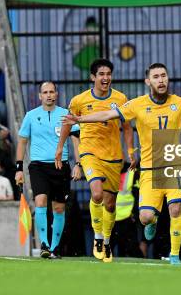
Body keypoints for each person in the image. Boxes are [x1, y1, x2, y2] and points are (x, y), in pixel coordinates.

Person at [64, 63, 181, 265]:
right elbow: (107, 114)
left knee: (176, 209)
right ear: (148, 81)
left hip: (173, 167)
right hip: (149, 170)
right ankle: (152, 220)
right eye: (156, 77)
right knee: (146, 217)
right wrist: (80, 118)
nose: (161, 80)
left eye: (164, 76)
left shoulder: (178, 102)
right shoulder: (137, 104)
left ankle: (174, 255)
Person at [55, 59, 133, 263]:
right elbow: (68, 124)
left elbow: (126, 127)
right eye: (101, 74)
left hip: (114, 156)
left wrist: (131, 150)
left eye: (108, 74)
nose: (105, 78)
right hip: (89, 153)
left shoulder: (120, 98)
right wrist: (60, 148)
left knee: (110, 204)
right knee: (96, 194)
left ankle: (106, 240)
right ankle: (97, 237)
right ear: (93, 77)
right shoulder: (79, 101)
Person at [16, 81, 80, 259]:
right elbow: (22, 142)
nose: (49, 95)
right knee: (41, 201)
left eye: (52, 92)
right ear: (40, 96)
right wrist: (18, 168)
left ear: (57, 94)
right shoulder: (31, 116)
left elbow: (76, 140)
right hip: (38, 166)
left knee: (59, 208)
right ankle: (44, 244)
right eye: (45, 92)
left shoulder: (66, 115)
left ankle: (55, 247)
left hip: (61, 166)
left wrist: (78, 164)